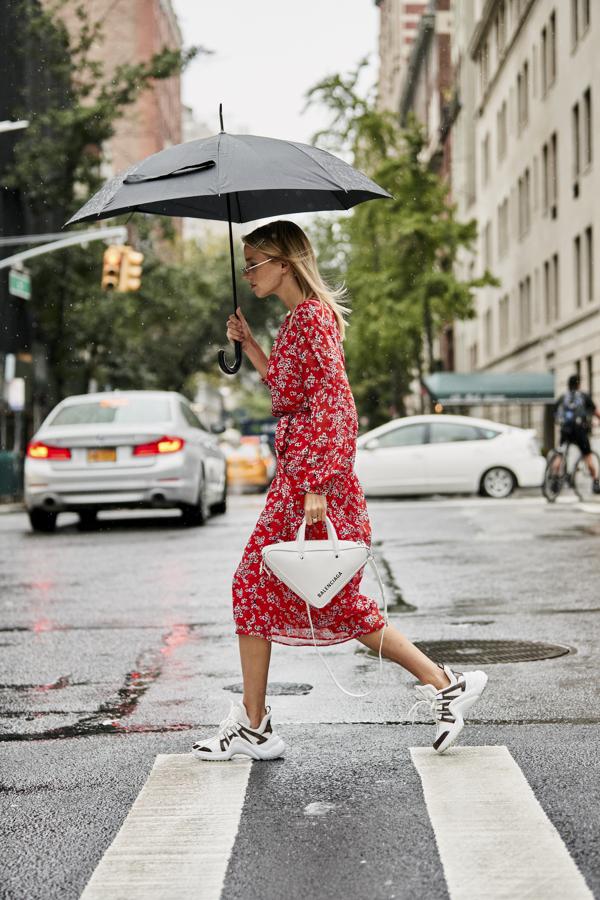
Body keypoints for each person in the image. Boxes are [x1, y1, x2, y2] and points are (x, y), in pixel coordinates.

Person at [191, 221, 488, 761]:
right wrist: (252, 344)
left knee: (286, 593)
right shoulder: (299, 320)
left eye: (256, 262)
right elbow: (287, 393)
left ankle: (441, 683)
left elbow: (337, 407)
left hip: (313, 484)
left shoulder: (311, 319)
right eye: (248, 264)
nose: (249, 274)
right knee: (294, 597)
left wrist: (318, 489)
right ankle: (442, 684)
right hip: (301, 480)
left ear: (285, 263)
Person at [553, 374, 600, 494]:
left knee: (560, 454)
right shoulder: (583, 396)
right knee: (588, 455)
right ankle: (595, 481)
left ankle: (554, 477)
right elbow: (596, 412)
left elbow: (555, 413)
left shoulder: (563, 397)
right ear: (578, 384)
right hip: (579, 431)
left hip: (566, 431)